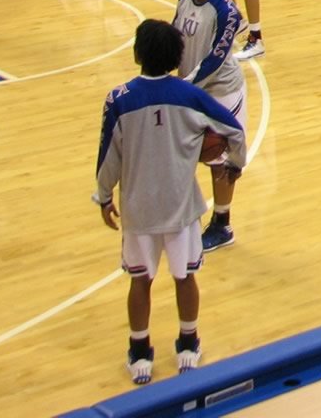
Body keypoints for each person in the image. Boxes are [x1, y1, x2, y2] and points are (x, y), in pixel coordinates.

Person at [94, 19, 246, 385]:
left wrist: (103, 196)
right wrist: (234, 165)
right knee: (184, 276)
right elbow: (234, 129)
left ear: (136, 54)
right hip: (181, 208)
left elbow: (107, 154)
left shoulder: (118, 99)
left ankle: (140, 348)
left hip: (138, 208)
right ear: (178, 56)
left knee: (140, 280)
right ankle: (188, 341)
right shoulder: (191, 96)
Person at [170, 0, 246, 253]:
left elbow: (215, 57)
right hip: (190, 89)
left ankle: (222, 224)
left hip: (220, 92)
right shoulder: (185, 0)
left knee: (219, 160)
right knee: (182, 154)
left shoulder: (226, 10)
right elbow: (177, 39)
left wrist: (184, 87)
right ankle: (184, 215)